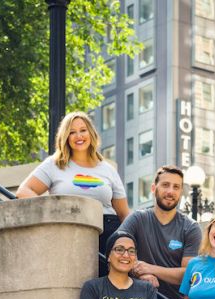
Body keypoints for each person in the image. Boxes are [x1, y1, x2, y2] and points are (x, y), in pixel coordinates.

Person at [16, 111, 130, 276]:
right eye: (72, 132)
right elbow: (23, 191)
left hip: (107, 235)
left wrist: (126, 244)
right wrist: (55, 208)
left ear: (90, 133)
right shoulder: (54, 164)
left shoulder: (107, 169)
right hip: (70, 231)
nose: (78, 136)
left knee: (108, 292)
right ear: (65, 137)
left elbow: (124, 214)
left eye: (83, 130)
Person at [118, 165, 202, 299]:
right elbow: (117, 249)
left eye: (176, 187)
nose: (170, 191)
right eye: (165, 185)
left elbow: (189, 275)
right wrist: (140, 274)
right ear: (154, 188)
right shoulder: (138, 219)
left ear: (181, 192)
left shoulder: (190, 228)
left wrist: (151, 269)